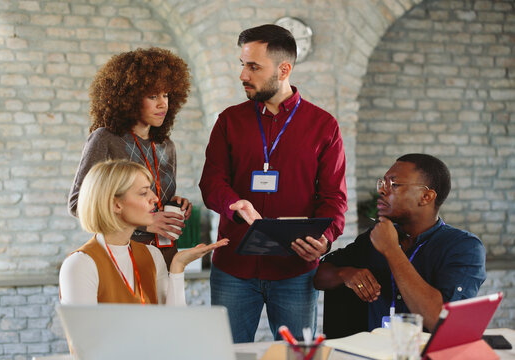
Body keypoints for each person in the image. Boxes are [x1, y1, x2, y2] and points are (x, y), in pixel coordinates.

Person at [199, 24, 347, 342]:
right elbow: (211, 182)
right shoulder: (229, 121)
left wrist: (325, 238)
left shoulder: (324, 125)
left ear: (283, 69)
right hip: (232, 269)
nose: (243, 75)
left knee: (296, 355)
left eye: (254, 67)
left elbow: (334, 196)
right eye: (242, 64)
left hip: (295, 271)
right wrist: (232, 203)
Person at [314, 153, 486, 332]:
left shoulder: (464, 247)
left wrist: (391, 250)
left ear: (426, 196)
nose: (382, 191)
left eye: (394, 185)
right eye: (383, 183)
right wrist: (345, 273)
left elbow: (441, 321)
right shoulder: (375, 236)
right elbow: (319, 276)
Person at [68, 47, 192, 268]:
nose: (163, 103)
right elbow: (79, 204)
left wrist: (174, 205)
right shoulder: (105, 139)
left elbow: (149, 200)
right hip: (122, 255)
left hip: (165, 255)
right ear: (129, 98)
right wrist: (145, 224)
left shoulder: (167, 146)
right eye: (153, 96)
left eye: (166, 95)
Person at [60, 160, 228, 305]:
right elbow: (86, 341)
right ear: (116, 205)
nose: (155, 198)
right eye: (143, 192)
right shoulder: (80, 265)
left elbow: (174, 326)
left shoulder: (152, 255)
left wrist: (178, 266)